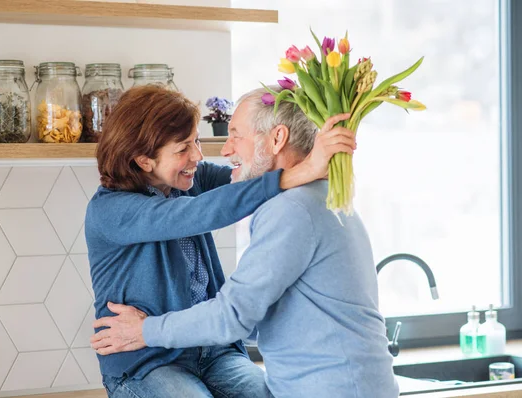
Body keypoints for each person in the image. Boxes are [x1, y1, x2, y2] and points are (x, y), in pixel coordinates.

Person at [90, 86, 400, 398]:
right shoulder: (111, 209)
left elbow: (244, 182)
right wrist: (305, 168)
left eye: (196, 141)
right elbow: (201, 212)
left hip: (213, 352)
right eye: (184, 147)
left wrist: (309, 162)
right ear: (145, 161)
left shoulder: (193, 183)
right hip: (148, 360)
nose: (200, 155)